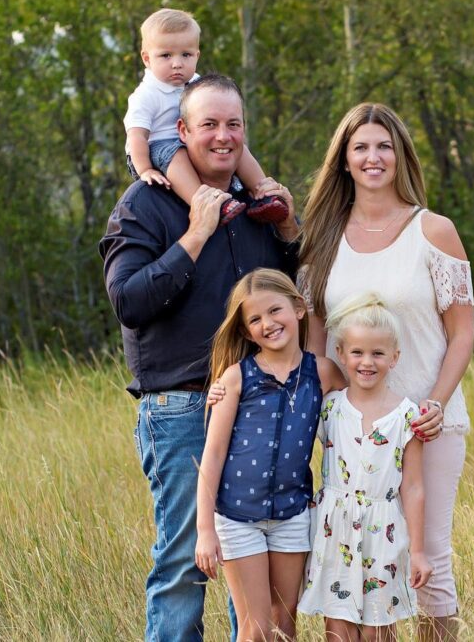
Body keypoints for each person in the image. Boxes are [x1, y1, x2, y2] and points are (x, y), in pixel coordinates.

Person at [99, 74, 299, 642]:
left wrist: (287, 230)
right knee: (188, 561)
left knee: (254, 563)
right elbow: (129, 302)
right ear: (180, 131)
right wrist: (195, 234)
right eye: (208, 124)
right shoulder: (147, 202)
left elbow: (289, 293)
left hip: (260, 404)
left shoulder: (255, 203)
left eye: (233, 124)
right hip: (182, 409)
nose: (222, 136)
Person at [298, 103, 474, 641]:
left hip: (426, 421)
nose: (373, 157)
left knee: (428, 565)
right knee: (364, 565)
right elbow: (317, 345)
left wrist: (437, 404)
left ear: (400, 156)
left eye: (383, 147)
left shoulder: (434, 231)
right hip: (351, 431)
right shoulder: (322, 241)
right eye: (361, 148)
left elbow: (462, 332)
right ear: (344, 161)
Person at [195, 269, 345, 641]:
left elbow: (355, 418)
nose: (268, 324)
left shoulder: (323, 373)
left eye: (275, 311)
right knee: (256, 627)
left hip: (293, 514)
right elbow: (211, 457)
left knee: (284, 622)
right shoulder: (235, 378)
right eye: (255, 319)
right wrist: (204, 530)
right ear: (245, 331)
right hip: (237, 516)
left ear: (297, 308)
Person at [299, 292, 433, 640]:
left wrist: (418, 552)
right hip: (335, 530)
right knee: (338, 629)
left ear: (394, 357)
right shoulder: (329, 407)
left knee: (378, 631)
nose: (366, 362)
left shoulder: (407, 416)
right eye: (357, 352)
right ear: (340, 354)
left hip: (384, 532)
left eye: (377, 353)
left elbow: (414, 486)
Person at [123, 8, 288, 224]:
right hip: (154, 148)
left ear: (197, 55)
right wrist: (144, 169)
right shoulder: (145, 95)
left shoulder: (198, 84)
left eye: (186, 55)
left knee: (235, 145)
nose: (177, 63)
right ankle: (207, 204)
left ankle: (263, 193)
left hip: (190, 140)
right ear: (147, 58)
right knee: (176, 154)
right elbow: (136, 136)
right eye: (165, 55)